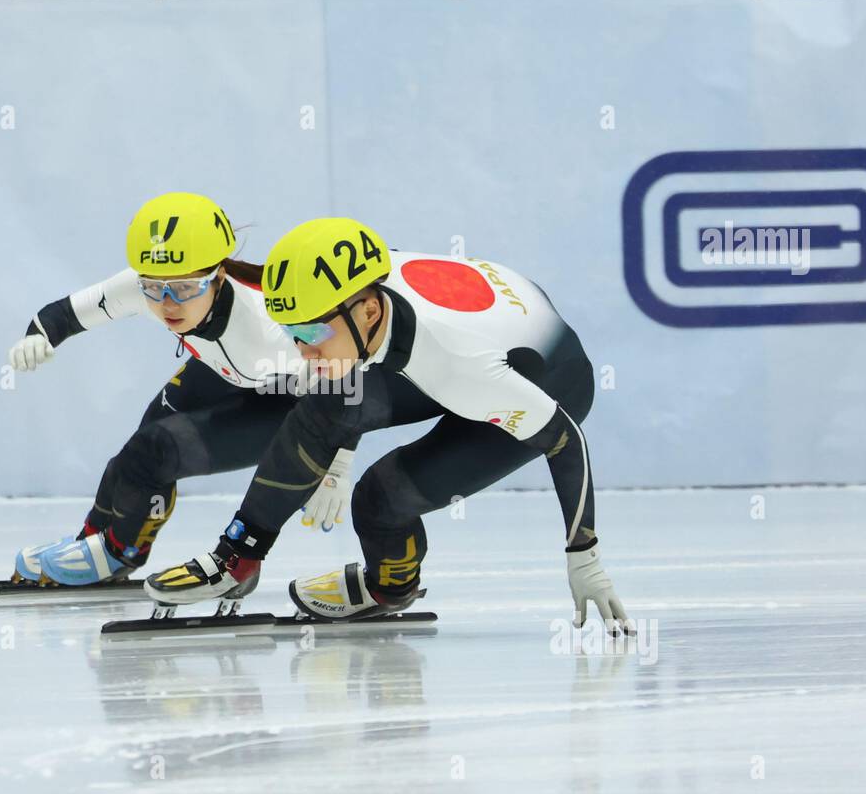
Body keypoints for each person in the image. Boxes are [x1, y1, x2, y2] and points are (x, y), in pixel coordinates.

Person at [145, 218, 634, 634]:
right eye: (292, 333)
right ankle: (237, 558)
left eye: (312, 332)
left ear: (370, 310)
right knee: (324, 405)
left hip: (543, 376)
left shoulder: (460, 364)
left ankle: (390, 585)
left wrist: (583, 553)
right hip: (476, 320)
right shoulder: (352, 295)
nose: (302, 350)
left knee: (381, 498)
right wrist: (337, 453)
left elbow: (567, 443)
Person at [7, 193, 351, 587]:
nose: (168, 302)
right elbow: (66, 313)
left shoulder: (267, 321)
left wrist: (336, 463)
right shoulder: (145, 286)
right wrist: (37, 338)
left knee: (153, 451)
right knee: (133, 455)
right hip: (223, 370)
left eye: (185, 288)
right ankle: (94, 539)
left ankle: (121, 552)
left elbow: (349, 373)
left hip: (291, 398)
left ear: (219, 276)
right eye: (154, 288)